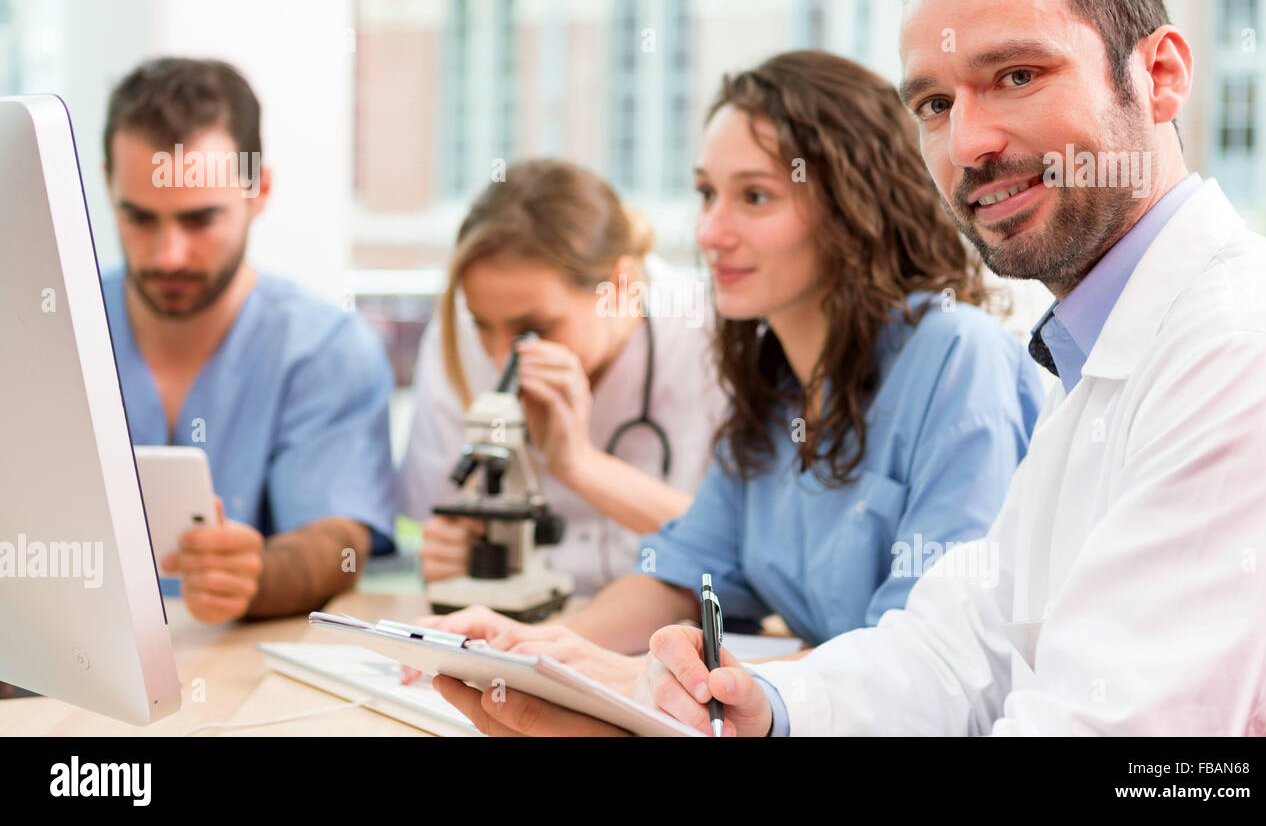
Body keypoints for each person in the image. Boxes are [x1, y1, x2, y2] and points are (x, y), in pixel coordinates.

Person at [441, 0, 1266, 737]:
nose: (969, 144)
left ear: (1160, 76)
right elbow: (953, 649)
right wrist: (759, 711)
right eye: (934, 104)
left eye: (1017, 76)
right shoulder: (1092, 356)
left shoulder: (1237, 348)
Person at [425, 50, 1044, 695]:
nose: (711, 232)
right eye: (706, 195)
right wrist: (542, 647)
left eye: (754, 197)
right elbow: (686, 572)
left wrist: (636, 676)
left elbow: (925, 659)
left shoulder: (957, 362)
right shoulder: (776, 389)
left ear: (855, 208)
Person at [101, 57, 399, 625]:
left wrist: (255, 575)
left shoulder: (325, 350)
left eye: (199, 220)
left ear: (258, 189)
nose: (168, 255)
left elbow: (339, 544)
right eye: (139, 218)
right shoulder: (48, 329)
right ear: (107, 186)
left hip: (239, 678)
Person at [401, 160, 726, 594]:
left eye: (533, 329)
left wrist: (578, 464)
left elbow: (737, 552)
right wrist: (450, 552)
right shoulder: (456, 337)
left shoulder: (713, 337)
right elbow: (439, 517)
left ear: (621, 285)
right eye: (483, 325)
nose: (501, 360)